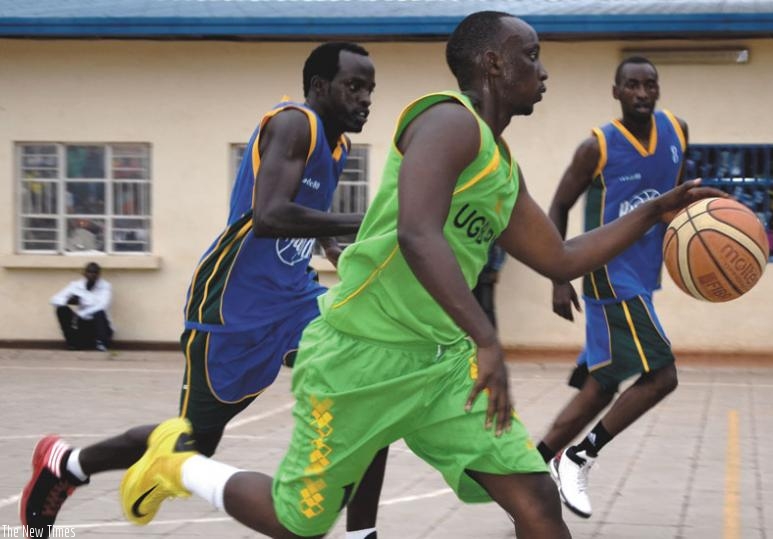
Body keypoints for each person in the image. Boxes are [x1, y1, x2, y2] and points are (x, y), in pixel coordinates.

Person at [117, 12, 722, 539]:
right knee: (295, 522)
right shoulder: (447, 119)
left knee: (536, 499)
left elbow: (561, 259)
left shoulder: (502, 171)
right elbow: (416, 231)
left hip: (441, 367)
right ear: (492, 63)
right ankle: (177, 464)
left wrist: (652, 212)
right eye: (531, 56)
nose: (543, 71)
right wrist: (488, 339)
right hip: (360, 357)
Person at [21, 42, 386, 539]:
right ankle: (67, 464)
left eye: (370, 89)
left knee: (370, 383)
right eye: (354, 86)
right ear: (320, 87)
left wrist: (331, 244)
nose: (365, 98)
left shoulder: (337, 145)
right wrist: (366, 222)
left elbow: (307, 203)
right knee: (192, 444)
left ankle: (361, 534)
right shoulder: (294, 123)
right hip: (232, 303)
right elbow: (269, 215)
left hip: (296, 299)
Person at [534, 56, 690, 519]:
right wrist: (559, 276)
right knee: (662, 376)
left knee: (601, 389)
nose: (642, 94)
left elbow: (673, 204)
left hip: (643, 276)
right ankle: (578, 457)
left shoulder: (678, 131)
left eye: (650, 85)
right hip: (606, 272)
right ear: (616, 91)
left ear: (658, 89)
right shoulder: (597, 146)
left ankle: (527, 473)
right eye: (632, 86)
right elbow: (557, 207)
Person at [50, 262, 113, 351]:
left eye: (95, 272)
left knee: (99, 313)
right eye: (89, 272)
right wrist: (68, 301)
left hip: (99, 326)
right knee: (61, 309)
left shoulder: (105, 286)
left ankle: (101, 343)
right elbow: (54, 299)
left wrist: (81, 311)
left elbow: (103, 305)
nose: (92, 275)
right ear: (84, 273)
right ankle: (72, 343)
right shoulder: (76, 285)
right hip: (83, 326)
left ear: (99, 275)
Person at [472, 242, 507, 327]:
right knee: (473, 306)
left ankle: (490, 336)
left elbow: (500, 247)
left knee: (486, 307)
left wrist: (495, 268)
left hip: (486, 270)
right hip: (472, 268)